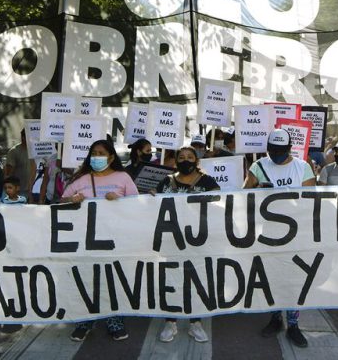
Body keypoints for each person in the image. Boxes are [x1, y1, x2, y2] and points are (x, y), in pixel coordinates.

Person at [243, 129, 315, 348]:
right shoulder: (259, 166)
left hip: (295, 233)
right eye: (272, 150)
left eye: (280, 151)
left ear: (289, 148)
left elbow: (311, 199)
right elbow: (244, 194)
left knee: (293, 277)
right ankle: (276, 318)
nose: (276, 154)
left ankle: (293, 324)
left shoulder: (302, 167)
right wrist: (257, 189)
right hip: (269, 232)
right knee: (272, 276)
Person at [62, 139, 138, 342]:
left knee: (113, 280)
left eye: (101, 153)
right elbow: (60, 202)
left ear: (111, 157)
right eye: (94, 153)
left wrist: (121, 201)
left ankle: (115, 320)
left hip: (115, 240)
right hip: (85, 240)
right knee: (87, 279)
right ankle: (85, 320)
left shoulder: (123, 177)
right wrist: (71, 200)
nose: (97, 157)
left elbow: (138, 205)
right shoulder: (81, 180)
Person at [155, 147, 220, 343]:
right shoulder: (166, 181)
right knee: (172, 281)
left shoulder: (208, 181)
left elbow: (219, 202)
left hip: (198, 241)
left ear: (196, 161)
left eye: (190, 157)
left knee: (197, 280)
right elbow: (153, 204)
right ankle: (170, 321)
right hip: (171, 240)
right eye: (181, 158)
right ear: (175, 161)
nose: (186, 160)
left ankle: (195, 323)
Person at [5, 129, 33, 200]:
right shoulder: (14, 151)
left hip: (31, 190)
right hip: (18, 191)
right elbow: (8, 173)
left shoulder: (35, 150)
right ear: (22, 137)